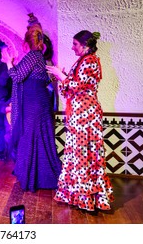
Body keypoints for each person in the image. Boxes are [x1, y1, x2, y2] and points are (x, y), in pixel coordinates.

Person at [46, 30, 114, 212]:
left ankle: (88, 197)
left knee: (85, 154)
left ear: (85, 46)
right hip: (80, 113)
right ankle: (77, 195)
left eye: (75, 44)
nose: (72, 47)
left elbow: (79, 86)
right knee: (78, 154)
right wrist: (64, 76)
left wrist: (61, 76)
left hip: (86, 114)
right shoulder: (83, 61)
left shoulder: (91, 60)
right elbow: (72, 87)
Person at [6, 17, 61, 192]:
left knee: (30, 138)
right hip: (38, 103)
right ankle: (39, 176)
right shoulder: (39, 57)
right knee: (37, 138)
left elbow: (16, 76)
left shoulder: (33, 55)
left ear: (26, 42)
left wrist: (9, 63)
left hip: (34, 105)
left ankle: (33, 177)